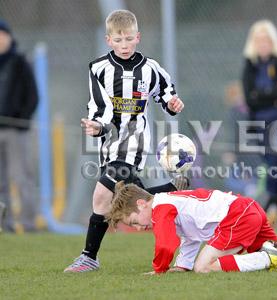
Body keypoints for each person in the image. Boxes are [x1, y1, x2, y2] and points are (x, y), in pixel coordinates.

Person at [64, 10, 187, 273]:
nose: (124, 45)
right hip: (109, 143)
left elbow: (167, 95)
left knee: (101, 196)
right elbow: (99, 107)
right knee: (128, 197)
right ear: (109, 40)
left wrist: (174, 104)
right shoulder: (98, 68)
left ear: (137, 37)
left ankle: (89, 257)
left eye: (129, 39)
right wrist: (96, 126)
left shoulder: (150, 68)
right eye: (118, 41)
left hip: (134, 141)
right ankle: (172, 188)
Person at [105, 182, 277, 274]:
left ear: (142, 203)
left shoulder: (161, 208)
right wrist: (181, 267)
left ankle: (264, 259)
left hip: (236, 216)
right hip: (248, 209)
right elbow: (190, 239)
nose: (138, 228)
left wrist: (159, 270)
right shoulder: (168, 203)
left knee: (204, 267)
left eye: (133, 221)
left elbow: (165, 244)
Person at [242, 20, 277, 229]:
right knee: (274, 167)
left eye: (266, 40)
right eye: (258, 40)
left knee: (275, 165)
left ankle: (260, 215)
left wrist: (263, 95)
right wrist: (274, 94)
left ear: (272, 41)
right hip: (259, 126)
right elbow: (250, 99)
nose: (262, 44)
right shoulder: (250, 66)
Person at [0, 20, 39, 232]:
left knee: (21, 178)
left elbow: (33, 96)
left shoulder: (20, 63)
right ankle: (5, 225)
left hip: (16, 131)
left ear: (8, 36)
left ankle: (28, 224)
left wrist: (20, 120)